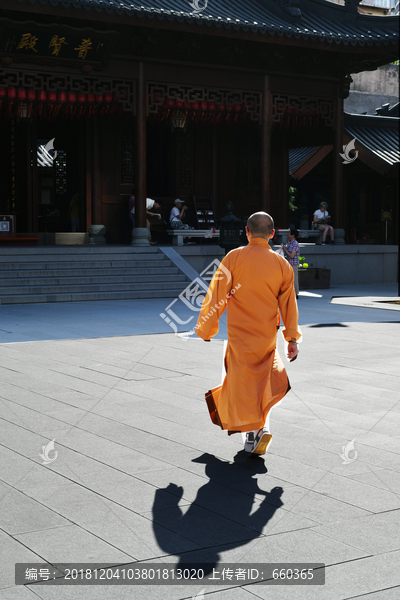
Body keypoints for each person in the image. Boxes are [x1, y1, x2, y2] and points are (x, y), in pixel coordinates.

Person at [195, 212, 301, 456]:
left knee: (241, 385)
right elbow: (289, 305)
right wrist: (292, 338)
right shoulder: (281, 264)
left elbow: (216, 294)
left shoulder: (234, 257)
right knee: (263, 383)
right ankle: (260, 429)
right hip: (266, 337)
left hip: (239, 336)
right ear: (273, 234)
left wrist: (206, 327)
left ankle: (253, 433)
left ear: (247, 231)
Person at [281, 228, 300, 299]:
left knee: (294, 278)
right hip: (289, 263)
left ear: (293, 235)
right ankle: (289, 292)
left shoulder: (295, 244)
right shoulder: (289, 242)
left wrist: (285, 250)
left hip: (294, 263)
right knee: (288, 278)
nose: (288, 234)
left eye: (289, 233)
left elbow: (292, 255)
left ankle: (296, 293)